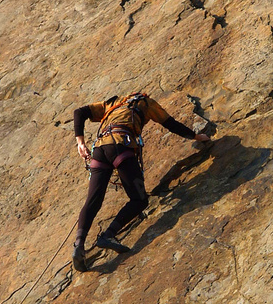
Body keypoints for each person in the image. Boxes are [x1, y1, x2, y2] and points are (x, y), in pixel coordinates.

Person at [72, 92, 211, 272]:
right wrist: (196, 137)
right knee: (139, 200)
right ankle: (108, 235)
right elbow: (170, 124)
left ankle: (78, 245)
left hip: (99, 149)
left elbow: (79, 112)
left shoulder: (112, 104)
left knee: (93, 200)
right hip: (121, 145)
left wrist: (80, 143)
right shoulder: (146, 103)